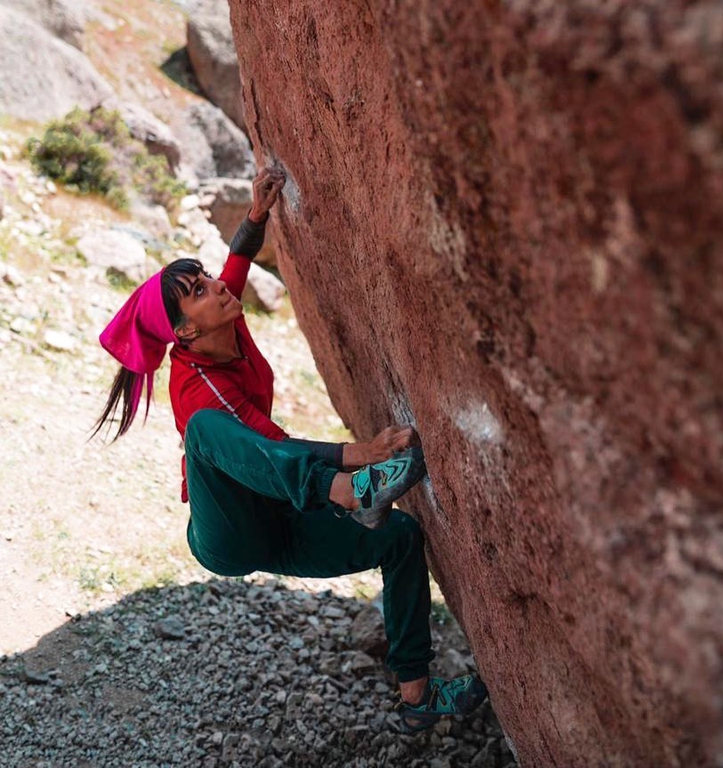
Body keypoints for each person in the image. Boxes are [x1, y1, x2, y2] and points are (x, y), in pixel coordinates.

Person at [94, 167, 488, 733]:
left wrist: (255, 216)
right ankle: (355, 495)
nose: (217, 286)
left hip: (284, 516)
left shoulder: (227, 325)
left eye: (203, 277)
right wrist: (362, 455)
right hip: (231, 533)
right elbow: (271, 446)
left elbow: (235, 268)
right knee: (205, 432)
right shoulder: (197, 387)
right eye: (199, 291)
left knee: (400, 538)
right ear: (183, 335)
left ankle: (417, 697)